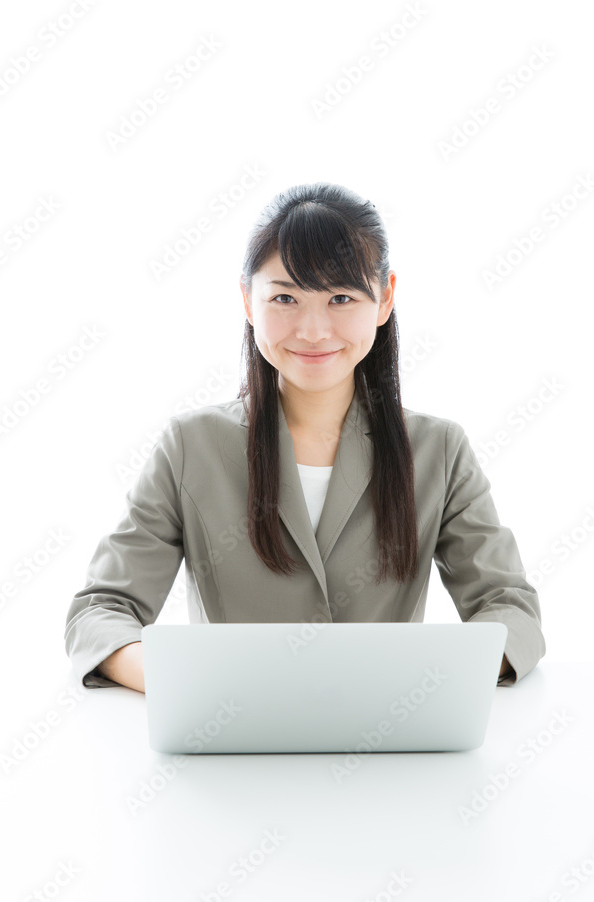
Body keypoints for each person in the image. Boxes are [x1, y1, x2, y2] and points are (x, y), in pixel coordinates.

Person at [64, 182, 545, 692]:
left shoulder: (439, 450)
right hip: (230, 742)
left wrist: (423, 680)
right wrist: (192, 682)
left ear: (385, 299)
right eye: (285, 297)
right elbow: (102, 611)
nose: (313, 331)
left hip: (387, 744)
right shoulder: (191, 446)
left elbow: (509, 609)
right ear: (248, 301)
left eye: (341, 297)